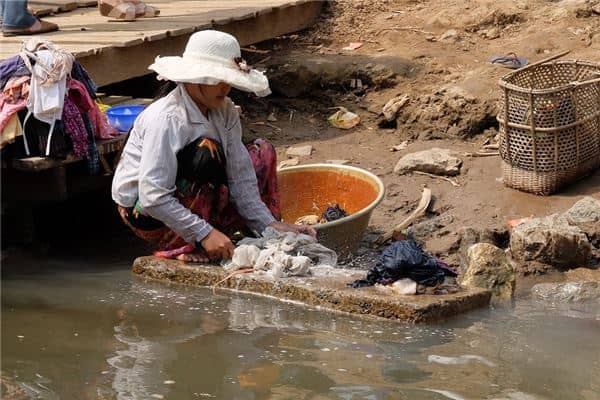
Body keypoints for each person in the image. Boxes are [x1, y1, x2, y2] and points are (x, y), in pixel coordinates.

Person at [112, 30, 316, 263]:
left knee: (262, 152)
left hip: (190, 199)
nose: (225, 87)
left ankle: (239, 234)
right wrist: (204, 234)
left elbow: (241, 179)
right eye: (217, 80)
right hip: (146, 213)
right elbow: (153, 197)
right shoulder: (167, 119)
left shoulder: (226, 111)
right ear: (196, 78)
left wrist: (269, 225)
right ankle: (181, 245)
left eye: (228, 80)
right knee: (206, 151)